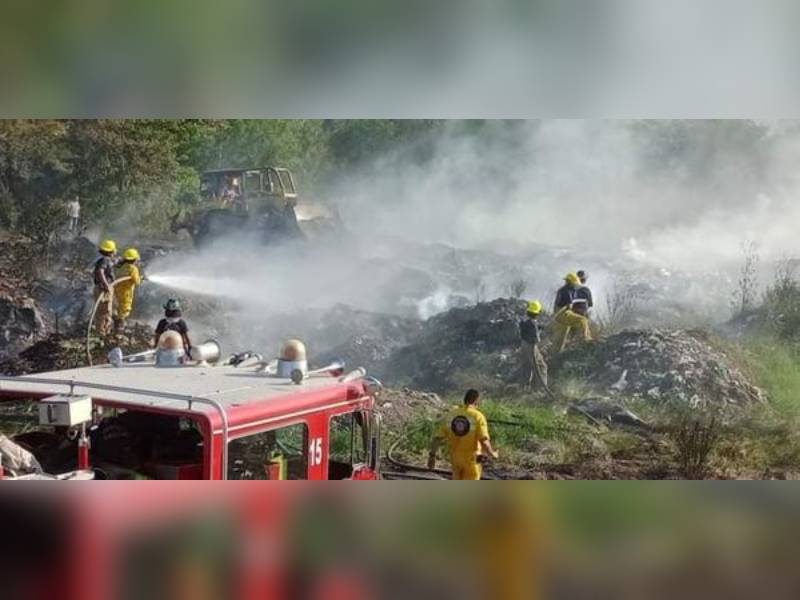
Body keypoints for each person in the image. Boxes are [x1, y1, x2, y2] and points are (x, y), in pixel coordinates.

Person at [428, 389, 499, 481]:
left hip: (455, 460)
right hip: (472, 460)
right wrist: (492, 453)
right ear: (476, 401)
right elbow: (484, 441)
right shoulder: (478, 416)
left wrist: (432, 456)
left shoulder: (451, 415)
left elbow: (437, 438)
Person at [552, 272, 592, 352]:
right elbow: (569, 305)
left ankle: (556, 353)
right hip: (564, 314)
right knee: (583, 320)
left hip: (560, 316)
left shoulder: (561, 290)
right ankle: (587, 339)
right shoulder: (568, 291)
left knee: (561, 339)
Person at [519, 300, 548, 391]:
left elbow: (530, 325)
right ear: (537, 313)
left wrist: (540, 327)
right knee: (541, 367)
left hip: (524, 345)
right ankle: (541, 389)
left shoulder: (525, 320)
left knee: (527, 366)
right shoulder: (533, 324)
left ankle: (524, 387)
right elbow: (536, 339)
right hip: (531, 347)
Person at [113, 248, 143, 332]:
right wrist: (141, 279)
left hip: (117, 289)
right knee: (125, 309)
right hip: (126, 292)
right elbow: (137, 281)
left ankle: (116, 323)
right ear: (134, 259)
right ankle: (119, 327)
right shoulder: (133, 268)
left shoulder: (121, 266)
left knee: (118, 307)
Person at [92, 240, 117, 336]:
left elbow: (116, 262)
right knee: (104, 311)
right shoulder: (105, 260)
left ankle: (105, 330)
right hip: (103, 288)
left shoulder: (104, 260)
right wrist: (106, 284)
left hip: (103, 287)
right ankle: (102, 333)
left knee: (106, 310)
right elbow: (100, 271)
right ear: (111, 251)